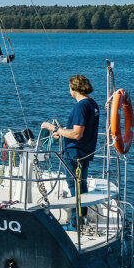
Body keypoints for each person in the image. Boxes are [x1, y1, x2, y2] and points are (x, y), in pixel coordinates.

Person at [41, 75, 100, 214]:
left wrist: (53, 128)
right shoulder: (92, 104)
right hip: (86, 151)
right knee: (81, 185)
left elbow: (76, 134)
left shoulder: (81, 106)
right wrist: (62, 132)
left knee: (74, 186)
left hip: (74, 152)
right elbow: (80, 129)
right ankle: (82, 217)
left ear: (74, 88)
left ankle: (76, 221)